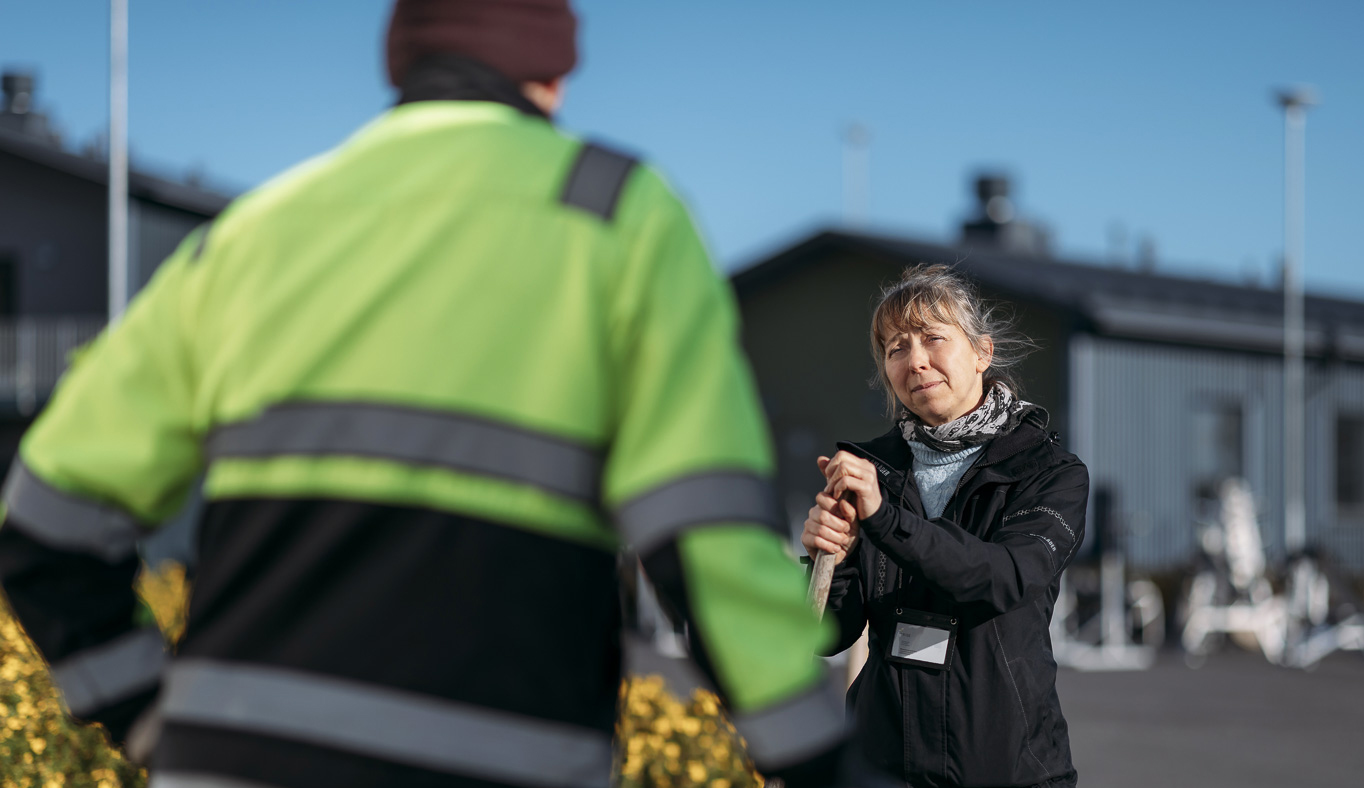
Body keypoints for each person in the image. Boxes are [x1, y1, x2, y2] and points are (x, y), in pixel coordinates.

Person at [0, 2, 856, 786]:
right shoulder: (614, 215)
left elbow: (47, 523)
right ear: (554, 73)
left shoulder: (263, 226)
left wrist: (153, 722)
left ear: (400, 63)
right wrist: (819, 757)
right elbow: (705, 538)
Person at [802, 264, 1087, 788]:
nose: (916, 361)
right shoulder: (869, 469)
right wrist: (829, 556)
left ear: (982, 352)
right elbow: (829, 635)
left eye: (933, 338)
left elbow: (1002, 577)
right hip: (881, 767)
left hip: (1005, 768)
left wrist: (884, 521)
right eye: (896, 348)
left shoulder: (1049, 473)